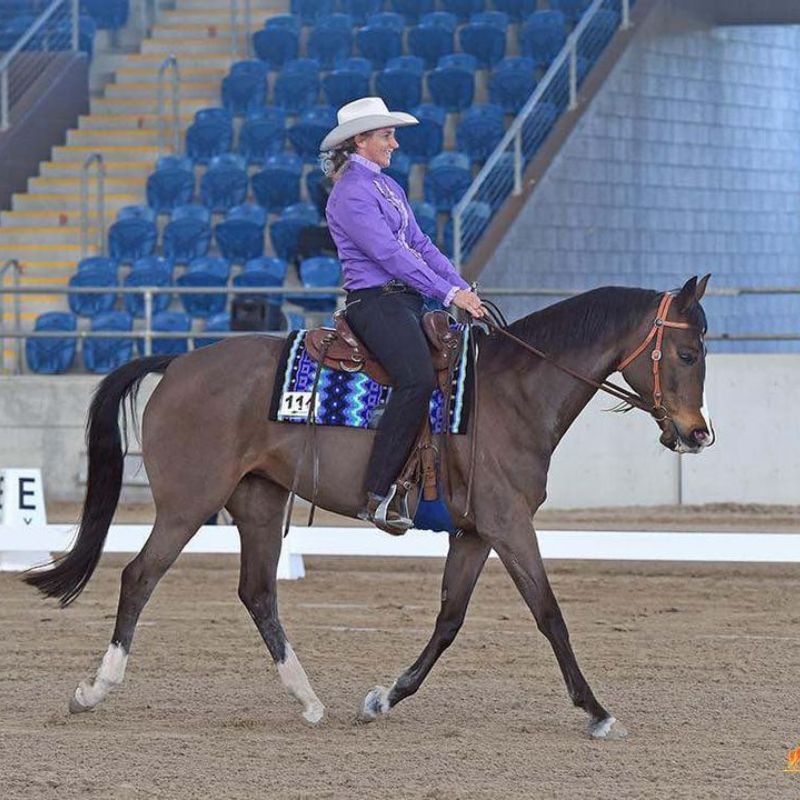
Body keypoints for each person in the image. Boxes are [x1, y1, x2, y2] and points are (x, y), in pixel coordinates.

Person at [319, 97, 486, 533]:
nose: (394, 143)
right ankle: (377, 491)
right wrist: (448, 291)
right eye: (386, 135)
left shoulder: (386, 187)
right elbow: (391, 254)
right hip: (375, 301)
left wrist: (461, 286)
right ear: (361, 140)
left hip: (406, 301)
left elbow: (421, 243)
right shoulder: (351, 193)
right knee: (416, 378)